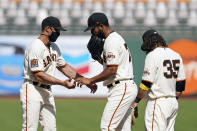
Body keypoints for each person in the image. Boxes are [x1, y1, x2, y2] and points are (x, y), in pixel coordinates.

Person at [20, 16, 97, 131]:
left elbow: (64, 67)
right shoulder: (35, 46)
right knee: (29, 128)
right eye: (57, 30)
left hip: (47, 91)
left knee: (51, 128)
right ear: (47, 29)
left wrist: (84, 80)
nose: (59, 32)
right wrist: (62, 83)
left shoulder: (54, 47)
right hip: (32, 89)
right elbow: (38, 74)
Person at [77, 12, 138, 131]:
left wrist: (90, 79)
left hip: (121, 88)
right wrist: (98, 58)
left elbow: (112, 70)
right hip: (123, 86)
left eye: (92, 28)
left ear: (100, 25)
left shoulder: (112, 41)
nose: (91, 32)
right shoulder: (114, 38)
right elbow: (112, 66)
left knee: (106, 126)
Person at [132, 29, 186, 131]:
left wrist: (136, 101)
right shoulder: (176, 54)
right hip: (173, 103)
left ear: (148, 41)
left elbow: (146, 83)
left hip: (158, 103)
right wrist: (172, 99)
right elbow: (181, 84)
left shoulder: (152, 55)